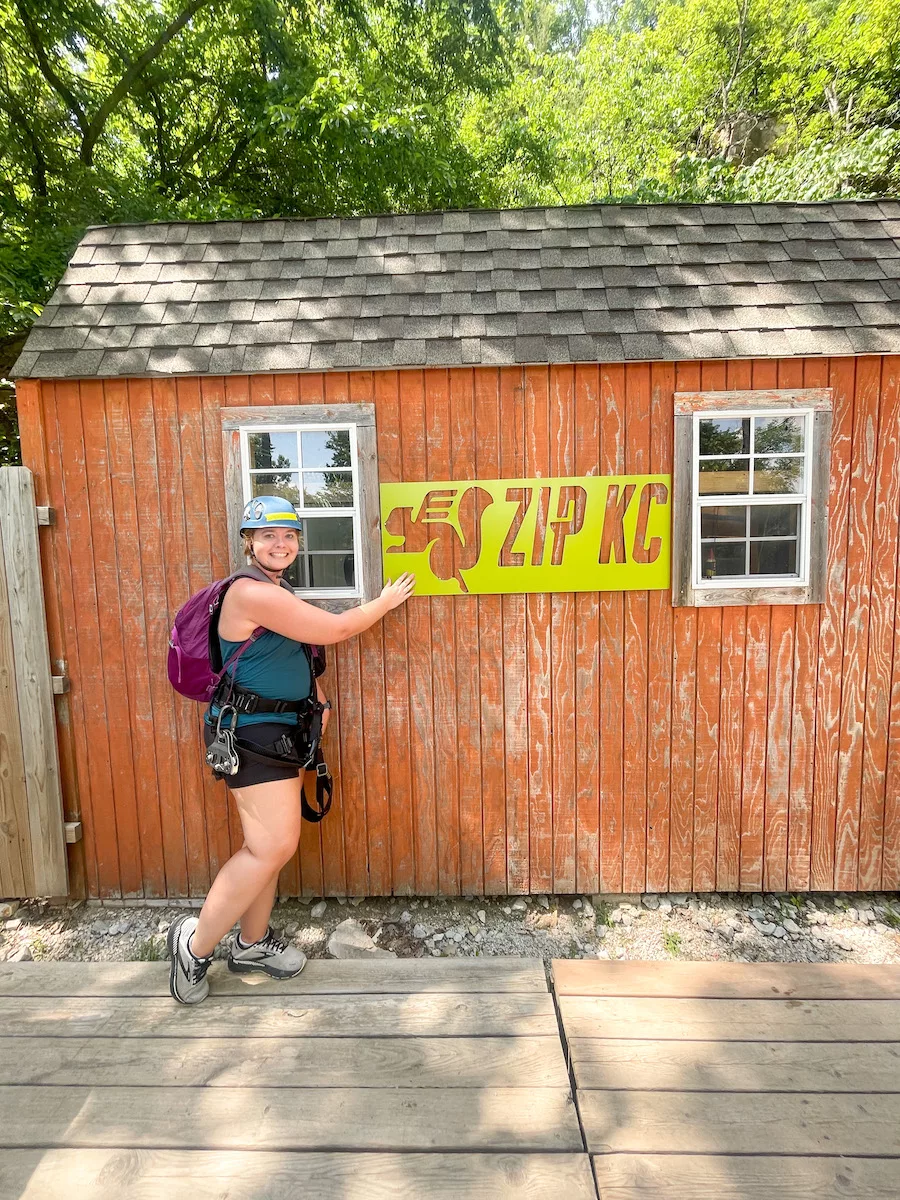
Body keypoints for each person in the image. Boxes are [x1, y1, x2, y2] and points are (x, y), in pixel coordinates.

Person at [168, 495, 415, 1004]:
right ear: (248, 543)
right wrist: (384, 602)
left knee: (270, 848)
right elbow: (335, 629)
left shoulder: (277, 589)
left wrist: (315, 699)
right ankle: (193, 947)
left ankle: (252, 944)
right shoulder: (249, 592)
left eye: (288, 536)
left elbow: (288, 649)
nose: (279, 544)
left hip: (280, 729)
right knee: (271, 846)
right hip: (251, 733)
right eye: (267, 536)